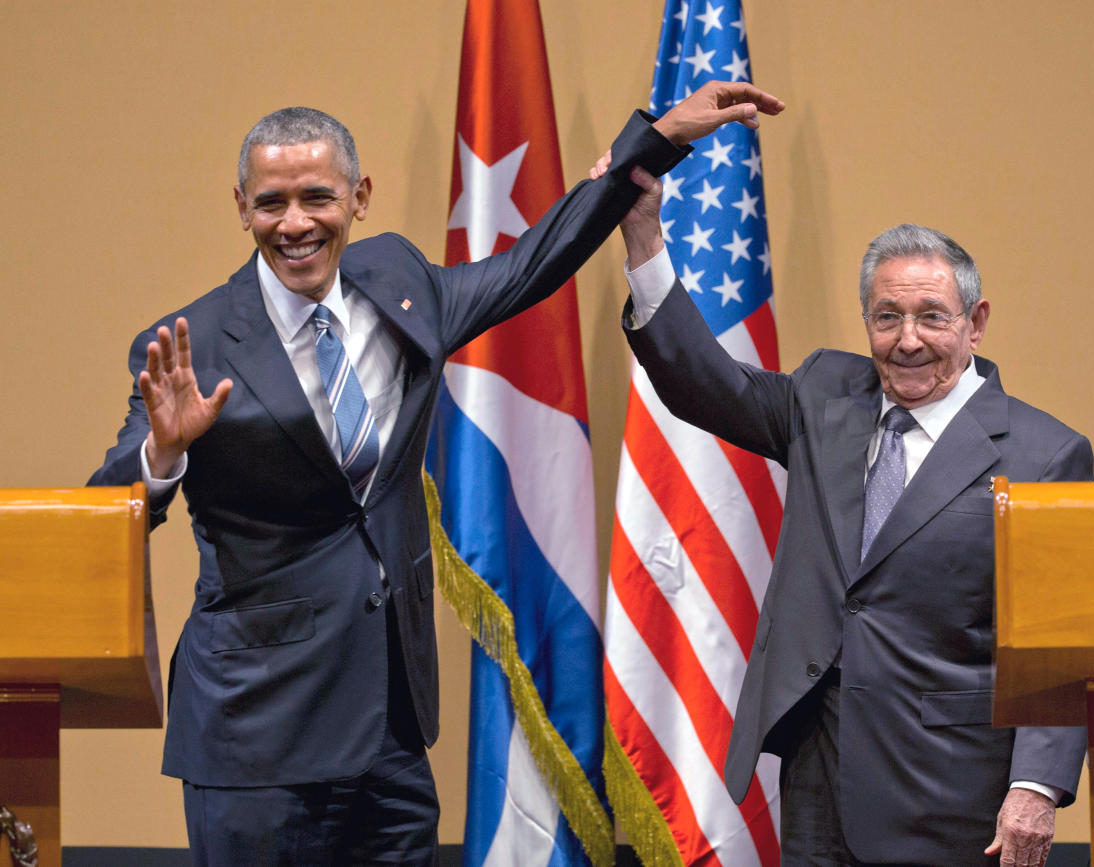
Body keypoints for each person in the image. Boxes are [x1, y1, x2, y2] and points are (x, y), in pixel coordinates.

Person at [88, 82, 784, 865]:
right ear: (241, 206)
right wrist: (163, 456)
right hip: (257, 737)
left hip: (389, 729)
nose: (293, 223)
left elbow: (534, 262)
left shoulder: (401, 284)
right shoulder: (192, 344)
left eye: (317, 197)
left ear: (359, 197)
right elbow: (102, 514)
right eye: (270, 202)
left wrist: (657, 139)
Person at [609, 162, 1091, 866]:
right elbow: (704, 383)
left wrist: (1036, 785)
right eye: (887, 316)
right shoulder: (823, 396)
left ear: (976, 322)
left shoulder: (1045, 451)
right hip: (819, 777)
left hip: (952, 793)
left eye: (932, 316)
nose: (908, 339)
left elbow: (1058, 644)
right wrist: (644, 235)